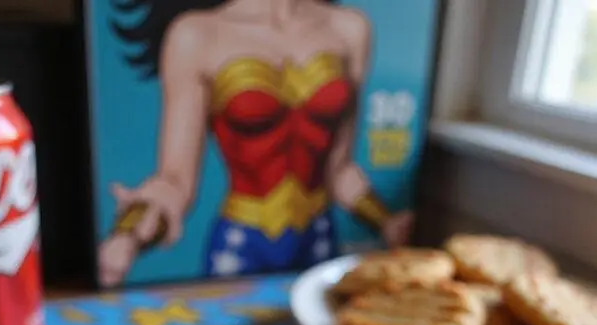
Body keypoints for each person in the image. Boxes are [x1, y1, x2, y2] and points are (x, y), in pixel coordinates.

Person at [98, 0, 413, 287]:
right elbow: (175, 181)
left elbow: (340, 171)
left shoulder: (349, 29)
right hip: (241, 245)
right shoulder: (196, 35)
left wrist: (388, 222)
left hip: (319, 243)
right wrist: (132, 229)